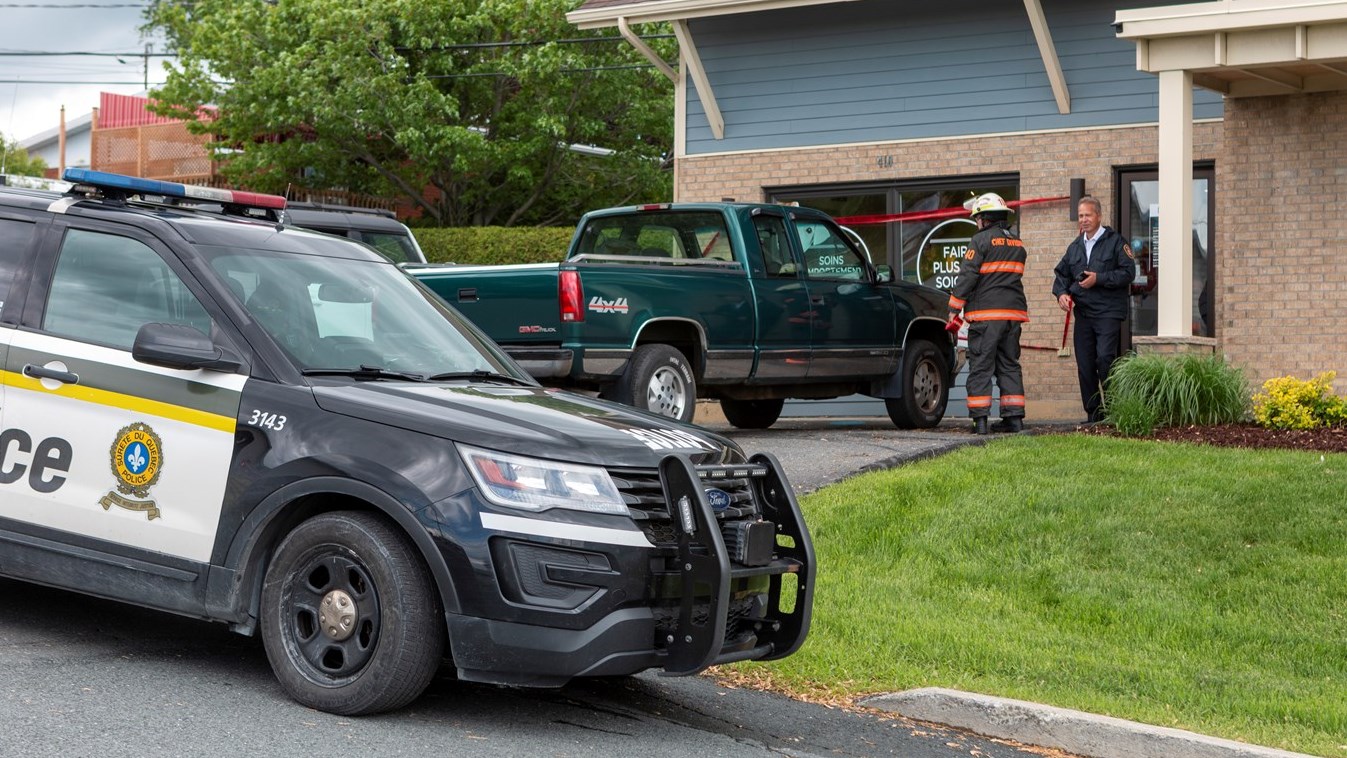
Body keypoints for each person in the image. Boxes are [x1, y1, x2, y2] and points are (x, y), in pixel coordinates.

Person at [948, 192, 1029, 435]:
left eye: (977, 219)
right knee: (1009, 365)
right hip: (1012, 316)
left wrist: (953, 308)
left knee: (981, 365)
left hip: (986, 316)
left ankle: (980, 421)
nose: (976, 223)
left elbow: (967, 276)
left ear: (984, 218)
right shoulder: (1017, 243)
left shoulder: (980, 241)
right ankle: (1014, 419)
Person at [1053, 195, 1136, 423]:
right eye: (1080, 216)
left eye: (1088, 215)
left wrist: (1098, 278)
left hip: (1108, 313)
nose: (1084, 220)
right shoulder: (1076, 247)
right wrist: (1062, 294)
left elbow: (1128, 273)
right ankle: (1093, 414)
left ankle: (1112, 410)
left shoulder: (1116, 242)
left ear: (1098, 215)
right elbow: (1062, 275)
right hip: (1084, 314)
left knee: (1104, 359)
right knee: (1085, 364)